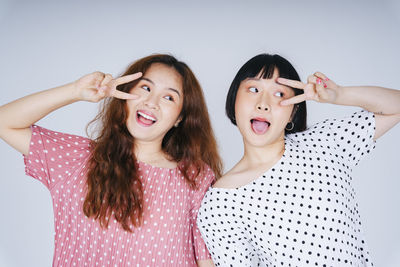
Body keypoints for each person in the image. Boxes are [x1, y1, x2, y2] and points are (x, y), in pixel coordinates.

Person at [0, 54, 222, 266]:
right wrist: (75, 91)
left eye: (169, 97)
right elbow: (4, 121)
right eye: (145, 88)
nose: (152, 102)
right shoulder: (78, 159)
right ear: (124, 94)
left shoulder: (195, 176)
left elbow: (204, 256)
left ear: (180, 117)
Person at [197, 53, 400, 266]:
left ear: (294, 111)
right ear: (234, 99)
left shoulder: (325, 142)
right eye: (254, 89)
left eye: (278, 94)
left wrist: (339, 95)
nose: (263, 104)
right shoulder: (219, 204)